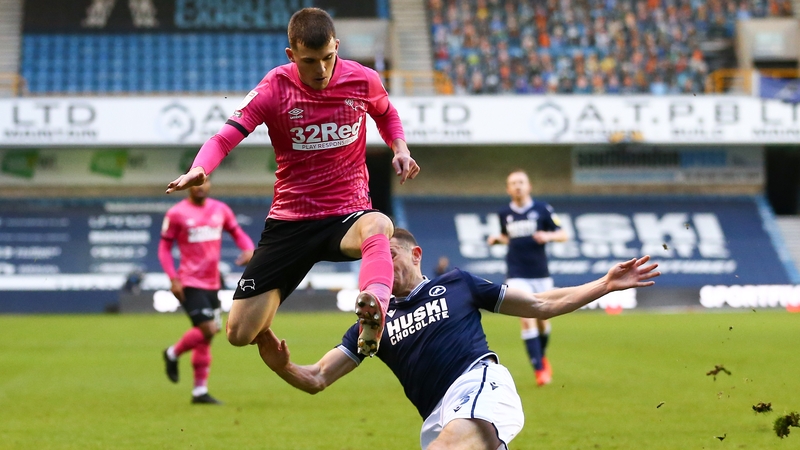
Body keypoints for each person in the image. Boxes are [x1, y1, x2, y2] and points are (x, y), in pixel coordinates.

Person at [165, 8, 420, 358]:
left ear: (337, 47)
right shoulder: (273, 88)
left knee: (378, 222)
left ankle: (373, 309)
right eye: (310, 61)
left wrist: (400, 148)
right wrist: (199, 168)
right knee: (239, 333)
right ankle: (269, 325)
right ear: (291, 55)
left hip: (346, 213)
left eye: (328, 58)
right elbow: (224, 137)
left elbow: (386, 112)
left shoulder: (363, 79)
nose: (321, 70)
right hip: (291, 221)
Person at [256, 228, 659, 449]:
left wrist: (604, 284)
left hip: (478, 384)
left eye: (389, 255)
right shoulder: (371, 322)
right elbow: (318, 378)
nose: (381, 266)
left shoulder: (457, 284)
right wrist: (283, 367)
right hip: (437, 415)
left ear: (415, 255)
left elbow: (539, 304)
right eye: (374, 261)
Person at [159, 179, 255, 404]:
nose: (200, 186)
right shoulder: (176, 214)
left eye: (205, 181)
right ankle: (172, 353)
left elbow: (237, 232)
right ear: (187, 185)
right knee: (208, 328)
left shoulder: (220, 210)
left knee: (207, 337)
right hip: (189, 282)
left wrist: (249, 249)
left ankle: (199, 391)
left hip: (213, 283)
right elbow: (164, 248)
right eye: (196, 183)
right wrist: (173, 279)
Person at [487, 169, 569, 386]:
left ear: (529, 186)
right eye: (513, 183)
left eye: (521, 182)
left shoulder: (543, 209)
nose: (517, 186)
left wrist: (548, 235)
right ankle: (539, 370)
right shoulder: (504, 213)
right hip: (516, 273)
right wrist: (498, 239)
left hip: (540, 273)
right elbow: (510, 238)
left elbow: (563, 234)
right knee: (526, 318)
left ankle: (541, 355)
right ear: (508, 189)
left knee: (543, 320)